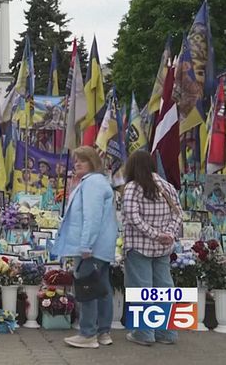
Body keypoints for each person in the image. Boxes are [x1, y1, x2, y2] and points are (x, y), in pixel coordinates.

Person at [52, 146, 118, 349]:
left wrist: (86, 244)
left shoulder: (92, 183)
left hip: (91, 247)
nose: (77, 164)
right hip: (101, 246)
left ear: (93, 163)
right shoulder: (97, 182)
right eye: (76, 160)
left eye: (82, 160)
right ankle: (103, 332)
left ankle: (87, 333)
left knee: (87, 287)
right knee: (102, 288)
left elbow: (92, 215)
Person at [122, 150, 183, 346]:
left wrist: (154, 234)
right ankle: (168, 333)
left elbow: (132, 217)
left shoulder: (132, 188)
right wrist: (169, 234)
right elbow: (178, 214)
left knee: (141, 289)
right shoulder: (167, 186)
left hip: (138, 246)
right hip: (163, 248)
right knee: (164, 289)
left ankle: (144, 333)